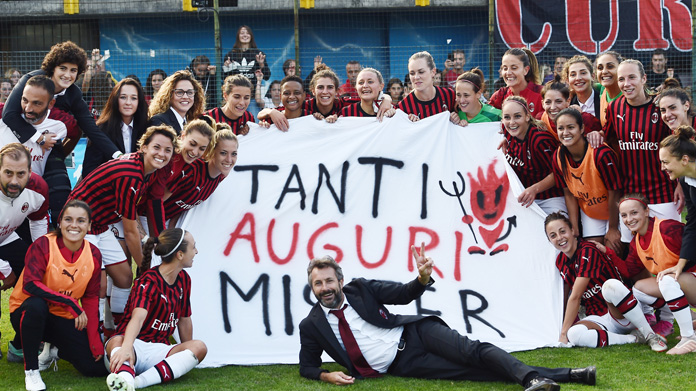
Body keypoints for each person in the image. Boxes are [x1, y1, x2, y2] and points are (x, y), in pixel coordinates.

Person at [299, 247, 597, 390]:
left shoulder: (360, 288)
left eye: (328, 281)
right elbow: (307, 366)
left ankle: (531, 378)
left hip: (415, 334)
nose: (324, 288)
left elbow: (404, 294)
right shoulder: (311, 325)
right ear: (312, 287)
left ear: (339, 279)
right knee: (474, 371)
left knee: (474, 351)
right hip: (403, 364)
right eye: (318, 284)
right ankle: (572, 375)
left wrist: (422, 277)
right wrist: (326, 375)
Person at [67, 125, 177, 330]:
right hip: (79, 225)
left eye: (167, 150)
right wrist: (147, 272)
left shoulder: (149, 170)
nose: (161, 154)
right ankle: (95, 337)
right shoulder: (131, 174)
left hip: (100, 225)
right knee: (97, 285)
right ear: (144, 147)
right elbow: (130, 232)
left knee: (125, 278)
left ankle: (115, 330)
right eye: (156, 147)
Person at [2, 41, 123, 226]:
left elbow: (90, 128)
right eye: (63, 68)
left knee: (61, 192)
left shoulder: (73, 94)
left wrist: (118, 155)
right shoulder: (31, 80)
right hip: (17, 143)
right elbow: (9, 114)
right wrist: (39, 139)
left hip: (50, 146)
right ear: (53, 67)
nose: (67, 75)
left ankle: (59, 236)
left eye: (73, 70)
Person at [9, 200, 108, 390]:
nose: (74, 225)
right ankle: (32, 372)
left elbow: (91, 297)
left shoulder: (94, 253)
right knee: (36, 305)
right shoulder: (43, 244)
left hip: (61, 317)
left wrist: (95, 340)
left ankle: (52, 350)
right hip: (26, 314)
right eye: (68, 219)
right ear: (60, 222)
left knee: (93, 368)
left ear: (89, 226)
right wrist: (69, 302)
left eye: (81, 221)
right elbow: (30, 285)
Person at [543, 212, 667, 351]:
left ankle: (649, 335)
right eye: (553, 235)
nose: (560, 238)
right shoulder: (560, 261)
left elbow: (576, 296)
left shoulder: (588, 250)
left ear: (572, 230)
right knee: (575, 334)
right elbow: (564, 298)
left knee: (610, 286)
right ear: (549, 240)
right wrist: (565, 331)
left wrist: (562, 334)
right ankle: (634, 339)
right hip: (600, 318)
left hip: (624, 310)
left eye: (562, 231)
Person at [588, 59, 681, 243]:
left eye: (632, 77)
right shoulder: (615, 107)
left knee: (671, 246)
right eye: (621, 79)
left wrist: (680, 183)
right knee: (633, 253)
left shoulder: (659, 107)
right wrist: (596, 134)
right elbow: (608, 136)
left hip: (662, 193)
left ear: (643, 78)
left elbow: (679, 143)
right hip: (630, 195)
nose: (626, 84)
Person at [105, 228, 207, 391]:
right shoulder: (148, 281)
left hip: (159, 350)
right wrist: (126, 348)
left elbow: (184, 319)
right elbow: (137, 318)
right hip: (133, 345)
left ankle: (135, 383)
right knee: (116, 341)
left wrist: (186, 352)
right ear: (180, 255)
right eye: (193, 247)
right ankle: (125, 375)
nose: (196, 251)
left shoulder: (184, 280)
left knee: (199, 347)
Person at [618, 194, 696, 353]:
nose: (629, 219)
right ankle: (691, 319)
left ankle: (689, 338)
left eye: (634, 213)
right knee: (639, 289)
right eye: (624, 215)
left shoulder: (667, 229)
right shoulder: (636, 242)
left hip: (691, 281)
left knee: (666, 280)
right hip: (684, 285)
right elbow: (628, 271)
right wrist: (607, 254)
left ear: (646, 211)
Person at [0, 143, 49, 363]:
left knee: (36, 281)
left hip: (7, 239)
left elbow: (38, 222)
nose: (13, 181)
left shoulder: (38, 189)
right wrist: (5, 270)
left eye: (20, 174)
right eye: (8, 173)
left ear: (30, 173)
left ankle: (22, 342)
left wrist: (41, 261)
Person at [551, 108, 620, 252]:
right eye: (561, 128)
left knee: (613, 249)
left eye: (571, 127)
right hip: (591, 212)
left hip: (616, 210)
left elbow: (615, 192)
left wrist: (613, 228)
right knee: (592, 252)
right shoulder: (558, 157)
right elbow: (568, 193)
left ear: (582, 128)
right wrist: (574, 226)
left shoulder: (601, 154)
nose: (565, 132)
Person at [162, 124, 237, 230]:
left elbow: (179, 207)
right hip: (147, 219)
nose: (229, 160)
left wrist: (172, 228)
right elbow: (155, 203)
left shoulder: (221, 176)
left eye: (234, 154)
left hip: (166, 222)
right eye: (223, 153)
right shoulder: (190, 170)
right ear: (211, 152)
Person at [501, 96, 565, 214]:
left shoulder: (540, 140)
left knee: (555, 229)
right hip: (524, 197)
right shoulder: (506, 131)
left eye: (517, 116)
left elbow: (560, 172)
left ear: (527, 116)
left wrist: (534, 189)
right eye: (507, 117)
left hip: (549, 197)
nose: (512, 122)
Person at [0, 75, 68, 177]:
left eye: (36, 103)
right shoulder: (4, 125)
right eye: (25, 100)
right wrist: (41, 139)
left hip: (35, 188)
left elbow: (77, 133)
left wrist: (57, 157)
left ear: (51, 104)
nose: (28, 109)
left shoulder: (60, 126)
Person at [82, 78, 149, 178]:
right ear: (115, 99)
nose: (128, 102)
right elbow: (89, 170)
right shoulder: (102, 129)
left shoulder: (147, 128)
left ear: (139, 101)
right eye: (123, 97)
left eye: (134, 98)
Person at [398, 51, 458, 124]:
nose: (416, 77)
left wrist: (458, 118)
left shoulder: (449, 95)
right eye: (412, 73)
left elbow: (469, 113)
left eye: (421, 72)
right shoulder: (404, 105)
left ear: (433, 72)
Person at [489, 48, 544, 119]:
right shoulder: (500, 96)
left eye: (514, 68)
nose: (508, 73)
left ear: (526, 70)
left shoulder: (541, 93)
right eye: (505, 68)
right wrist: (469, 117)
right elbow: (484, 115)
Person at [222, 25, 270, 101]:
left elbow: (267, 76)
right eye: (242, 33)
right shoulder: (230, 55)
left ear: (251, 36)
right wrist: (227, 68)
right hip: (235, 96)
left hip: (252, 97)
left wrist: (261, 64)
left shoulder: (258, 54)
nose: (245, 35)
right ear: (238, 36)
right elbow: (223, 77)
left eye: (247, 33)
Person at [594, 51, 623, 127]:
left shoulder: (631, 94)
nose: (604, 71)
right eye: (600, 68)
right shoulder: (602, 88)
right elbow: (585, 86)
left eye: (610, 66)